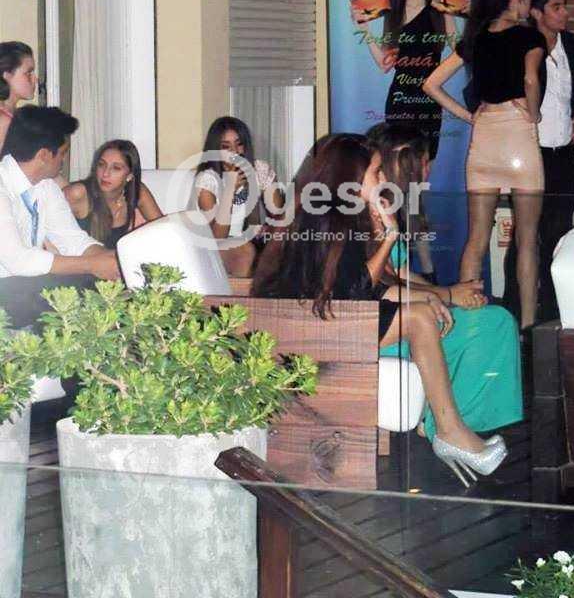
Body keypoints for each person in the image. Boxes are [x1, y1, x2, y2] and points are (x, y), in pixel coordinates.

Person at [252, 133, 508, 484]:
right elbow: (356, 291)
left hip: (329, 317)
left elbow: (359, 289)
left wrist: (423, 295)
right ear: (352, 179)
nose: (383, 178)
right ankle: (449, 431)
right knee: (419, 319)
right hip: (311, 329)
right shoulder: (327, 219)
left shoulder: (334, 214)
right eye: (375, 172)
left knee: (421, 315)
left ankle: (449, 429)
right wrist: (389, 237)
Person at [367, 123, 523, 447]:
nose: (429, 169)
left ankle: (453, 421)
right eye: (425, 161)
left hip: (402, 315)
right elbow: (379, 284)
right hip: (384, 327)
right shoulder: (368, 213)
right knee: (491, 323)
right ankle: (446, 426)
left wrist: (449, 295)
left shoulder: (390, 206)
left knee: (494, 318)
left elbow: (401, 273)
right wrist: (447, 295)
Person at [423, 0, 546, 329]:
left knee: (476, 239)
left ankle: (467, 321)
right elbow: (530, 79)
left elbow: (430, 84)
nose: (527, 3)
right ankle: (526, 328)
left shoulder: (475, 38)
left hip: (485, 139)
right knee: (527, 241)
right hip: (519, 137)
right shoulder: (529, 36)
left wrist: (469, 116)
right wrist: (534, 113)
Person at [502, 0, 574, 322]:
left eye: (564, 5)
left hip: (563, 152)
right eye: (556, 7)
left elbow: (573, 100)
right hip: (530, 151)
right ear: (537, 13)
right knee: (525, 236)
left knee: (559, 232)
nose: (564, 12)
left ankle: (554, 312)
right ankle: (514, 311)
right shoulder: (520, 45)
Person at [0, 106, 120, 332]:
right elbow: (18, 260)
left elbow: (72, 239)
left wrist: (113, 261)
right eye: (63, 153)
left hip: (25, 286)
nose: (64, 160)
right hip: (6, 289)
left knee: (101, 285)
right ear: (44, 155)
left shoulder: (45, 185)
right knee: (77, 289)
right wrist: (92, 265)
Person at [351, 0, 456, 159]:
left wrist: (450, 12)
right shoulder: (392, 10)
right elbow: (385, 64)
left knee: (423, 168)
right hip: (400, 101)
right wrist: (364, 29)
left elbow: (459, 49)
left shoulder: (439, 6)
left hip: (429, 102)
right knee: (397, 168)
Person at [195, 116, 283, 277]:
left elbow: (280, 216)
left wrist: (268, 228)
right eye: (226, 147)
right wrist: (230, 188)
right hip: (215, 245)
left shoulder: (259, 169)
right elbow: (217, 237)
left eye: (239, 144)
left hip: (251, 239)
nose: (234, 151)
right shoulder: (207, 180)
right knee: (245, 251)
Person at [64, 139, 162, 249]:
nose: (105, 174)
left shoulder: (136, 191)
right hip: (81, 258)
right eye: (101, 165)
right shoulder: (78, 193)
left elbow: (164, 228)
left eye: (116, 168)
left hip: (114, 258)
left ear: (129, 175)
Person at [0, 41, 37, 152]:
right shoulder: (3, 121)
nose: (35, 79)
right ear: (7, 76)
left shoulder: (14, 115)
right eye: (28, 73)